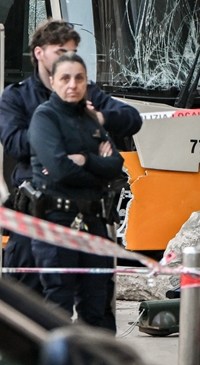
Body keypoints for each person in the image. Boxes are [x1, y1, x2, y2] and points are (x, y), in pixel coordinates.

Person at [0, 19, 142, 297]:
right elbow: (15, 146)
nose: (69, 59)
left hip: (87, 213)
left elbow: (131, 119)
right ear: (39, 53)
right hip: (38, 215)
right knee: (27, 302)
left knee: (95, 304)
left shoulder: (87, 92)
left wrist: (99, 118)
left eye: (73, 52)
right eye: (61, 52)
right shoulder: (17, 97)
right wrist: (62, 134)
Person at [28, 51, 125, 329]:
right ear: (53, 81)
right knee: (58, 307)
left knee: (97, 306)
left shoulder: (90, 119)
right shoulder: (45, 118)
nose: (73, 85)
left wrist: (84, 160)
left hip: (93, 221)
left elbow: (117, 165)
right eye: (65, 78)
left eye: (79, 78)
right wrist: (97, 168)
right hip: (57, 222)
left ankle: (96, 354)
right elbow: (60, 169)